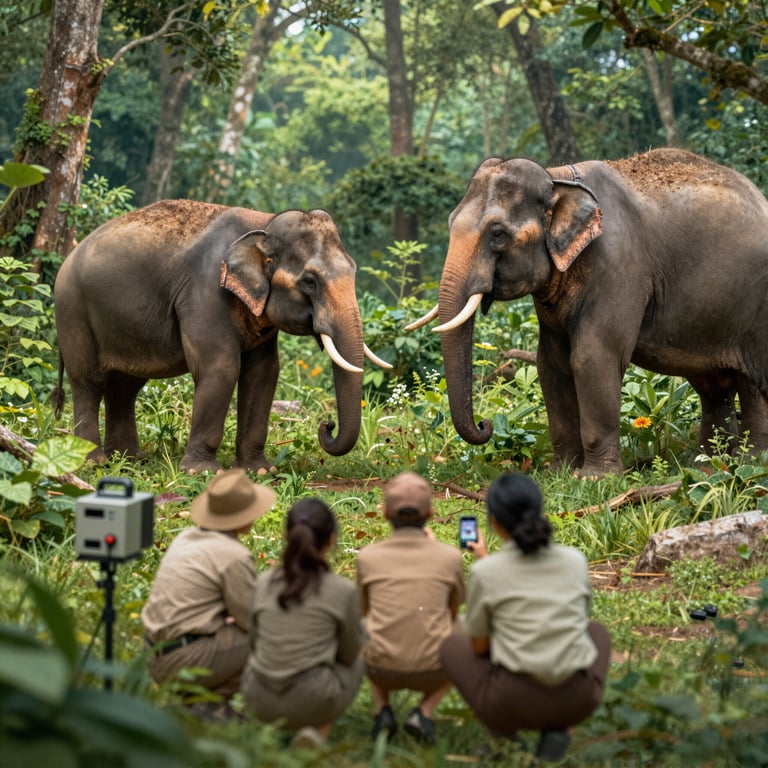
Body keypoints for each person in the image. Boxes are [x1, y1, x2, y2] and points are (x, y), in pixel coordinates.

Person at [440, 473, 611, 763]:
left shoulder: (486, 572)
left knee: (452, 646)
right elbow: (578, 624)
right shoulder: (575, 560)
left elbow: (479, 648)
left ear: (494, 521)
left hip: (513, 700)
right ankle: (560, 728)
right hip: (577, 699)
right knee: (597, 632)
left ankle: (506, 740)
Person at [142, 468, 276, 704]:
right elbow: (253, 621)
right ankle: (212, 704)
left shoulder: (186, 537)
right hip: (185, 659)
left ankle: (200, 703)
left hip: (153, 654)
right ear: (244, 516)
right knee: (273, 637)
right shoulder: (233, 555)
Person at [241, 498, 365, 749]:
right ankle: (320, 730)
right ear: (331, 540)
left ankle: (269, 737)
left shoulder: (264, 582)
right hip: (314, 698)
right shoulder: (342, 591)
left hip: (258, 697)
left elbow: (253, 642)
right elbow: (350, 654)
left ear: (287, 536)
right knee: (365, 647)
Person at [356, 472, 466, 745]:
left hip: (378, 667)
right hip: (435, 669)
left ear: (384, 513)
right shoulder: (450, 557)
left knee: (363, 627)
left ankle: (383, 708)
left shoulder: (368, 558)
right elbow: (453, 609)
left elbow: (363, 611)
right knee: (465, 626)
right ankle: (424, 711)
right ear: (430, 513)